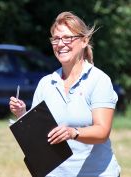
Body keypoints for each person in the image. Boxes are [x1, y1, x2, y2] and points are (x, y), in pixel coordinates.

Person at [9, 11, 121, 177]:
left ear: (84, 41)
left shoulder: (99, 80)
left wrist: (73, 133)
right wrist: (23, 115)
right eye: (56, 38)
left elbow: (102, 132)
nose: (61, 44)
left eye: (67, 38)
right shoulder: (46, 83)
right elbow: (40, 135)